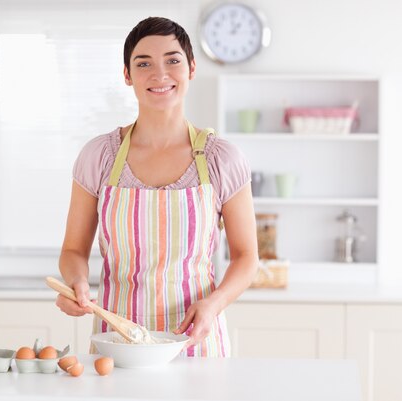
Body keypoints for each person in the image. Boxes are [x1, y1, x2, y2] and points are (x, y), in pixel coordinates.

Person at [56, 16, 258, 357]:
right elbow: (73, 250)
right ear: (127, 75)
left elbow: (247, 256)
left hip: (197, 340)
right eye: (144, 63)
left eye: (173, 60)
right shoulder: (99, 157)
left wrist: (214, 303)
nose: (160, 74)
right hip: (116, 344)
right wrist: (77, 283)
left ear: (192, 68)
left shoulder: (222, 159)